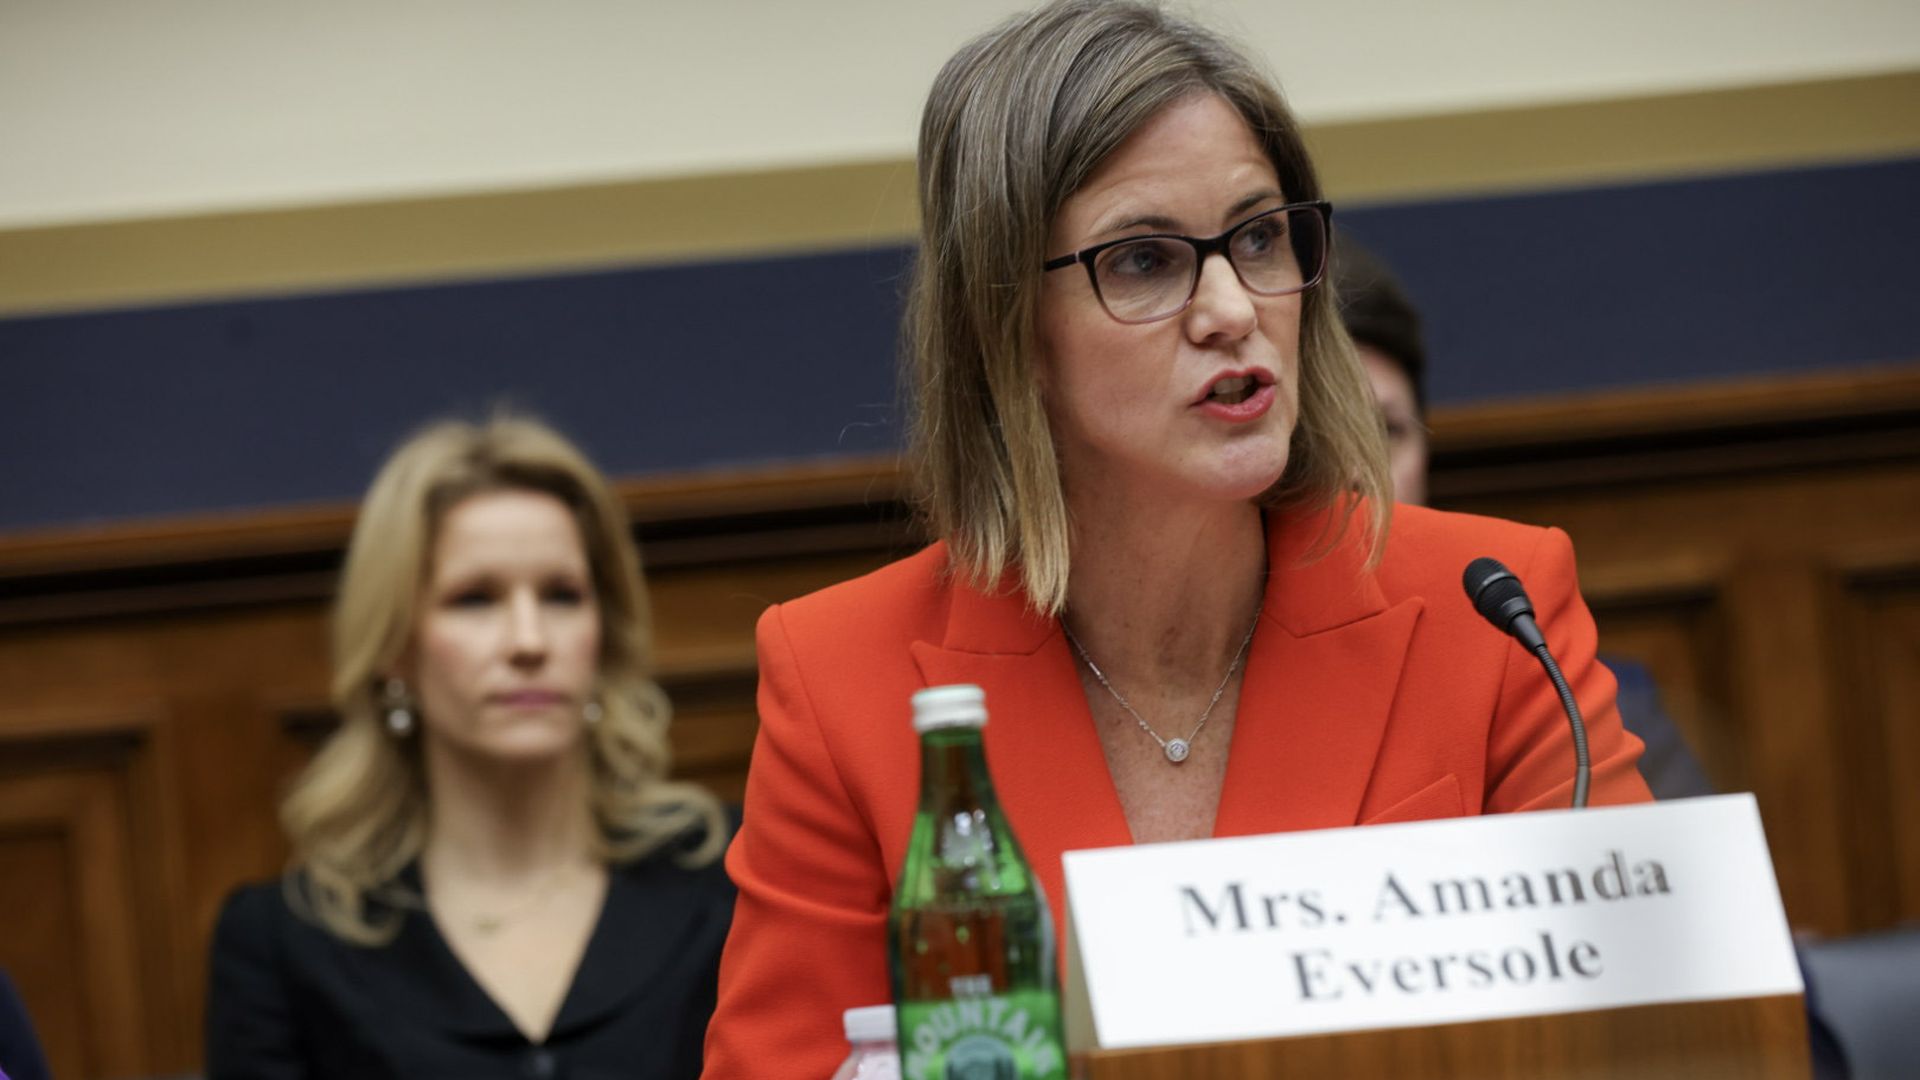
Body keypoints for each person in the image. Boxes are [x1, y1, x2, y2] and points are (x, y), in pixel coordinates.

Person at [702, 2, 1652, 1073]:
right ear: (1008, 327)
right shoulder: (842, 681)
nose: (1231, 307)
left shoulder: (1496, 610)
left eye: (1257, 237)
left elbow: (1651, 1029)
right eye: (1146, 261)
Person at [206, 416, 732, 1079]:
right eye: (475, 599)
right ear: (395, 648)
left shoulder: (736, 874)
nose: (528, 641)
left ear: (605, 633)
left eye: (562, 596)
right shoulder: (285, 940)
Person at [1332, 239, 1717, 802]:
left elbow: (1687, 886)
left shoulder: (1571, 695)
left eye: (1387, 432)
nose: (1359, 472)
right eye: (1324, 437)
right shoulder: (1208, 715)